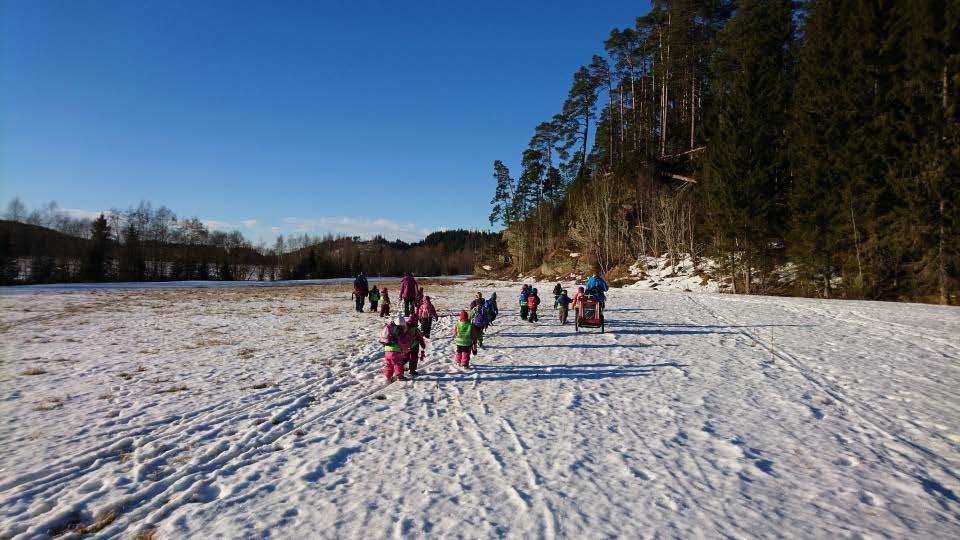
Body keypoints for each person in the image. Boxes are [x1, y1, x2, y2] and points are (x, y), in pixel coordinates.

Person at [380, 315, 412, 382]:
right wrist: (405, 349)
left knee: (388, 364)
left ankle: (388, 376)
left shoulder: (390, 329)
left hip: (387, 350)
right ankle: (400, 376)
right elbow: (402, 343)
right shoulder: (400, 332)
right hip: (395, 351)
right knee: (398, 364)